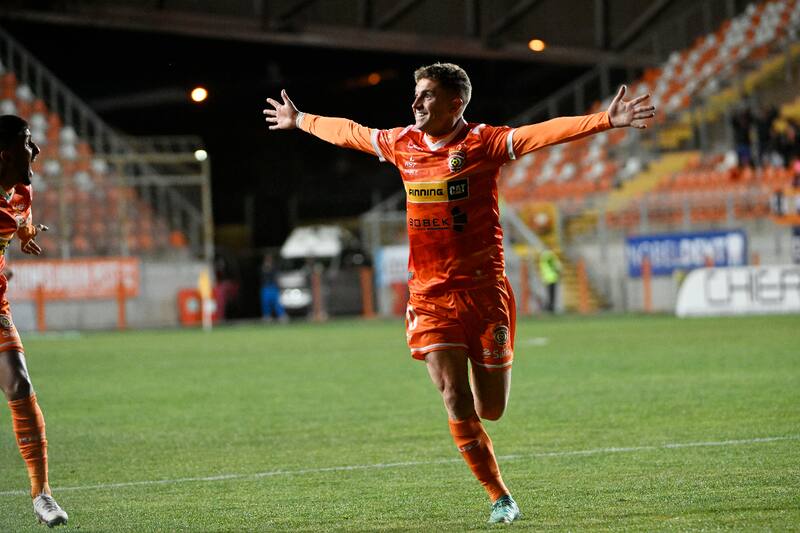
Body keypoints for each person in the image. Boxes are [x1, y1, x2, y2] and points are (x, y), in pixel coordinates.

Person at [263, 63, 655, 524]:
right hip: (429, 299)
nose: (415, 103)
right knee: (453, 394)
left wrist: (605, 119)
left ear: (455, 104)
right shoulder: (402, 143)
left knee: (492, 409)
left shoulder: (482, 144)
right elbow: (351, 131)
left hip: (485, 296)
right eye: (415, 94)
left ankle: (489, 384)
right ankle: (499, 496)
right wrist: (301, 120)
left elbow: (540, 133)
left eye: (426, 95)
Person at [0, 115, 68, 527]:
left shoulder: (22, 190)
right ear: (5, 155)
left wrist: (25, 237)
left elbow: (19, 219)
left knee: (19, 383)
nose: (38, 150)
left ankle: (42, 495)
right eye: (29, 143)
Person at [260, 253, 287, 322]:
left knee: (277, 302)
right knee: (266, 302)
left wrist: (280, 287)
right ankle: (267, 316)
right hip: (266, 287)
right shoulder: (263, 268)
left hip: (273, 286)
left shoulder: (274, 268)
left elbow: (277, 278)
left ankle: (281, 315)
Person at [538, 249, 562, 313]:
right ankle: (550, 308)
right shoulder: (551, 259)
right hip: (552, 279)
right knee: (551, 295)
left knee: (549, 295)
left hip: (548, 279)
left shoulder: (543, 260)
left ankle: (549, 308)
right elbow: (558, 267)